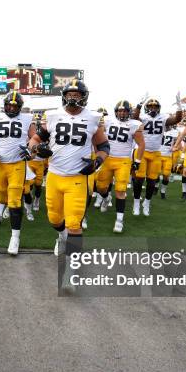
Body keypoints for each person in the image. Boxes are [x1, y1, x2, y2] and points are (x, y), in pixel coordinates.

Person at [28, 80, 110, 256]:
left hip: (77, 177)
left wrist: (97, 162)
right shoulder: (52, 115)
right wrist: (36, 148)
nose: (72, 98)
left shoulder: (93, 117)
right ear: (63, 97)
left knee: (74, 223)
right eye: (69, 95)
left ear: (84, 97)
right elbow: (33, 140)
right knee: (55, 219)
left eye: (77, 95)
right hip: (54, 176)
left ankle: (73, 267)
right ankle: (61, 236)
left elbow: (104, 147)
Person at [0, 91, 35, 255]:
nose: (11, 108)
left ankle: (15, 237)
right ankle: (3, 211)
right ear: (4, 105)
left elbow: (36, 139)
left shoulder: (27, 119)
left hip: (17, 164)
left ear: (19, 107)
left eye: (14, 105)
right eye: (9, 105)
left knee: (14, 201)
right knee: (0, 195)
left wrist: (30, 150)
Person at [95, 100, 144, 233]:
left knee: (121, 190)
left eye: (125, 111)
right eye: (120, 111)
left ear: (129, 112)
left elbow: (141, 144)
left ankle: (119, 220)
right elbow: (98, 136)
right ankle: (106, 198)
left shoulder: (135, 124)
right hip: (107, 158)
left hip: (123, 161)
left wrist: (137, 161)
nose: (122, 113)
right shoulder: (107, 120)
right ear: (116, 112)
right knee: (101, 187)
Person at [131, 94, 182, 216]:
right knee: (139, 180)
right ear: (147, 108)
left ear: (158, 108)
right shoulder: (142, 117)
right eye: (150, 106)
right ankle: (136, 202)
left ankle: (147, 203)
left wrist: (179, 106)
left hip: (156, 153)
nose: (153, 109)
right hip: (142, 152)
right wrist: (139, 105)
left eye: (155, 107)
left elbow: (177, 120)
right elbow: (134, 117)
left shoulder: (163, 118)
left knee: (152, 181)